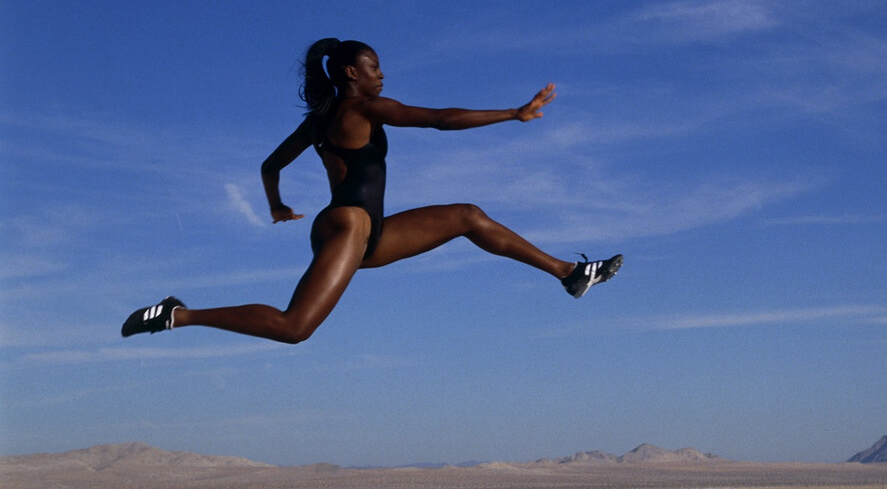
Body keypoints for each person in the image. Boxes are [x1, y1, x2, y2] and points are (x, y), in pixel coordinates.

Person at [122, 38, 621, 344]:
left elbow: (270, 165)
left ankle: (570, 273)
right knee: (295, 328)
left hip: (368, 233)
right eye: (375, 67)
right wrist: (513, 113)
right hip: (349, 225)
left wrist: (276, 205)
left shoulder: (318, 120)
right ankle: (177, 314)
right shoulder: (361, 108)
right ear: (351, 73)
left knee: (468, 215)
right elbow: (439, 120)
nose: (382, 76)